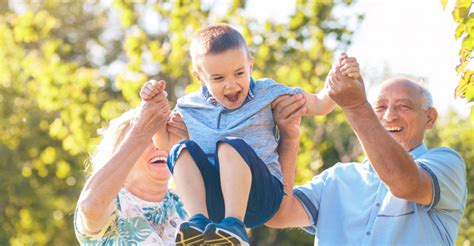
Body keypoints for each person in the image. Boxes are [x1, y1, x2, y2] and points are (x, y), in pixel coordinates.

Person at [139, 24, 360, 245]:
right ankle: (198, 223)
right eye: (218, 78)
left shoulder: (267, 93)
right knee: (182, 150)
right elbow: (168, 148)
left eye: (239, 73)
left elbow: (320, 105)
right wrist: (155, 108)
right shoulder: (189, 107)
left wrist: (339, 78)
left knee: (229, 146)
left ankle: (234, 226)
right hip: (214, 203)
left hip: (262, 197)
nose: (231, 84)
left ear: (250, 66)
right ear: (200, 78)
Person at [267, 71, 467, 245]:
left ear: (430, 118)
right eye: (379, 107)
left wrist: (356, 105)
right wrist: (290, 138)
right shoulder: (335, 178)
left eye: (404, 106)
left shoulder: (446, 163)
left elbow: (405, 183)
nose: (389, 116)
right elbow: (278, 215)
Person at [74, 91, 189, 245]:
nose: (158, 147)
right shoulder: (115, 203)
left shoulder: (187, 203)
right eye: (149, 139)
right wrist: (141, 131)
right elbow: (90, 206)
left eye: (163, 137)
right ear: (121, 151)